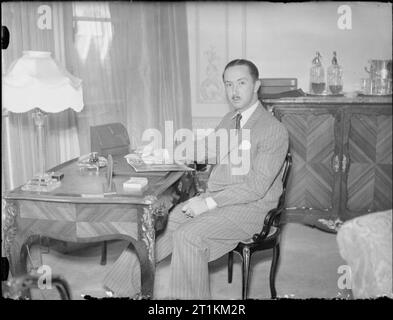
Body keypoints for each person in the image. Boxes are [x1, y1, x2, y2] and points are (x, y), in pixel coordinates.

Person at [103, 59, 289, 299]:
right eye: (228, 84)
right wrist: (163, 151)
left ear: (256, 85)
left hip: (253, 209)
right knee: (159, 226)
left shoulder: (273, 130)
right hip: (219, 200)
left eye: (241, 83)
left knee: (188, 236)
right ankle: (118, 289)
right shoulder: (230, 120)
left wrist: (207, 204)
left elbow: (255, 188)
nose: (234, 91)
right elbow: (204, 150)